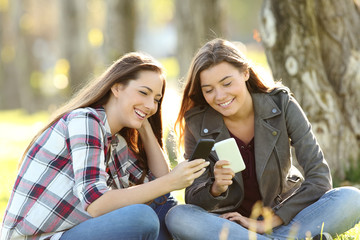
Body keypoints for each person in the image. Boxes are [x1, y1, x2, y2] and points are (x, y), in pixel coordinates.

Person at [1, 52, 209, 240]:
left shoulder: (117, 142)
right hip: (40, 237)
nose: (150, 105)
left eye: (156, 99)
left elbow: (160, 189)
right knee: (142, 218)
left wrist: (144, 126)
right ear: (117, 87)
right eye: (143, 93)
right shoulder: (84, 121)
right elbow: (96, 204)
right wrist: (172, 181)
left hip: (73, 232)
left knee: (163, 206)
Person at [165, 38, 360, 240]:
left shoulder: (282, 105)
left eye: (227, 83)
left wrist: (269, 222)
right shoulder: (197, 124)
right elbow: (193, 196)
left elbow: (319, 176)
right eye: (209, 90)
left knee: (352, 198)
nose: (220, 95)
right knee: (179, 216)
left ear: (245, 73)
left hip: (284, 217)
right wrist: (216, 189)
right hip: (231, 226)